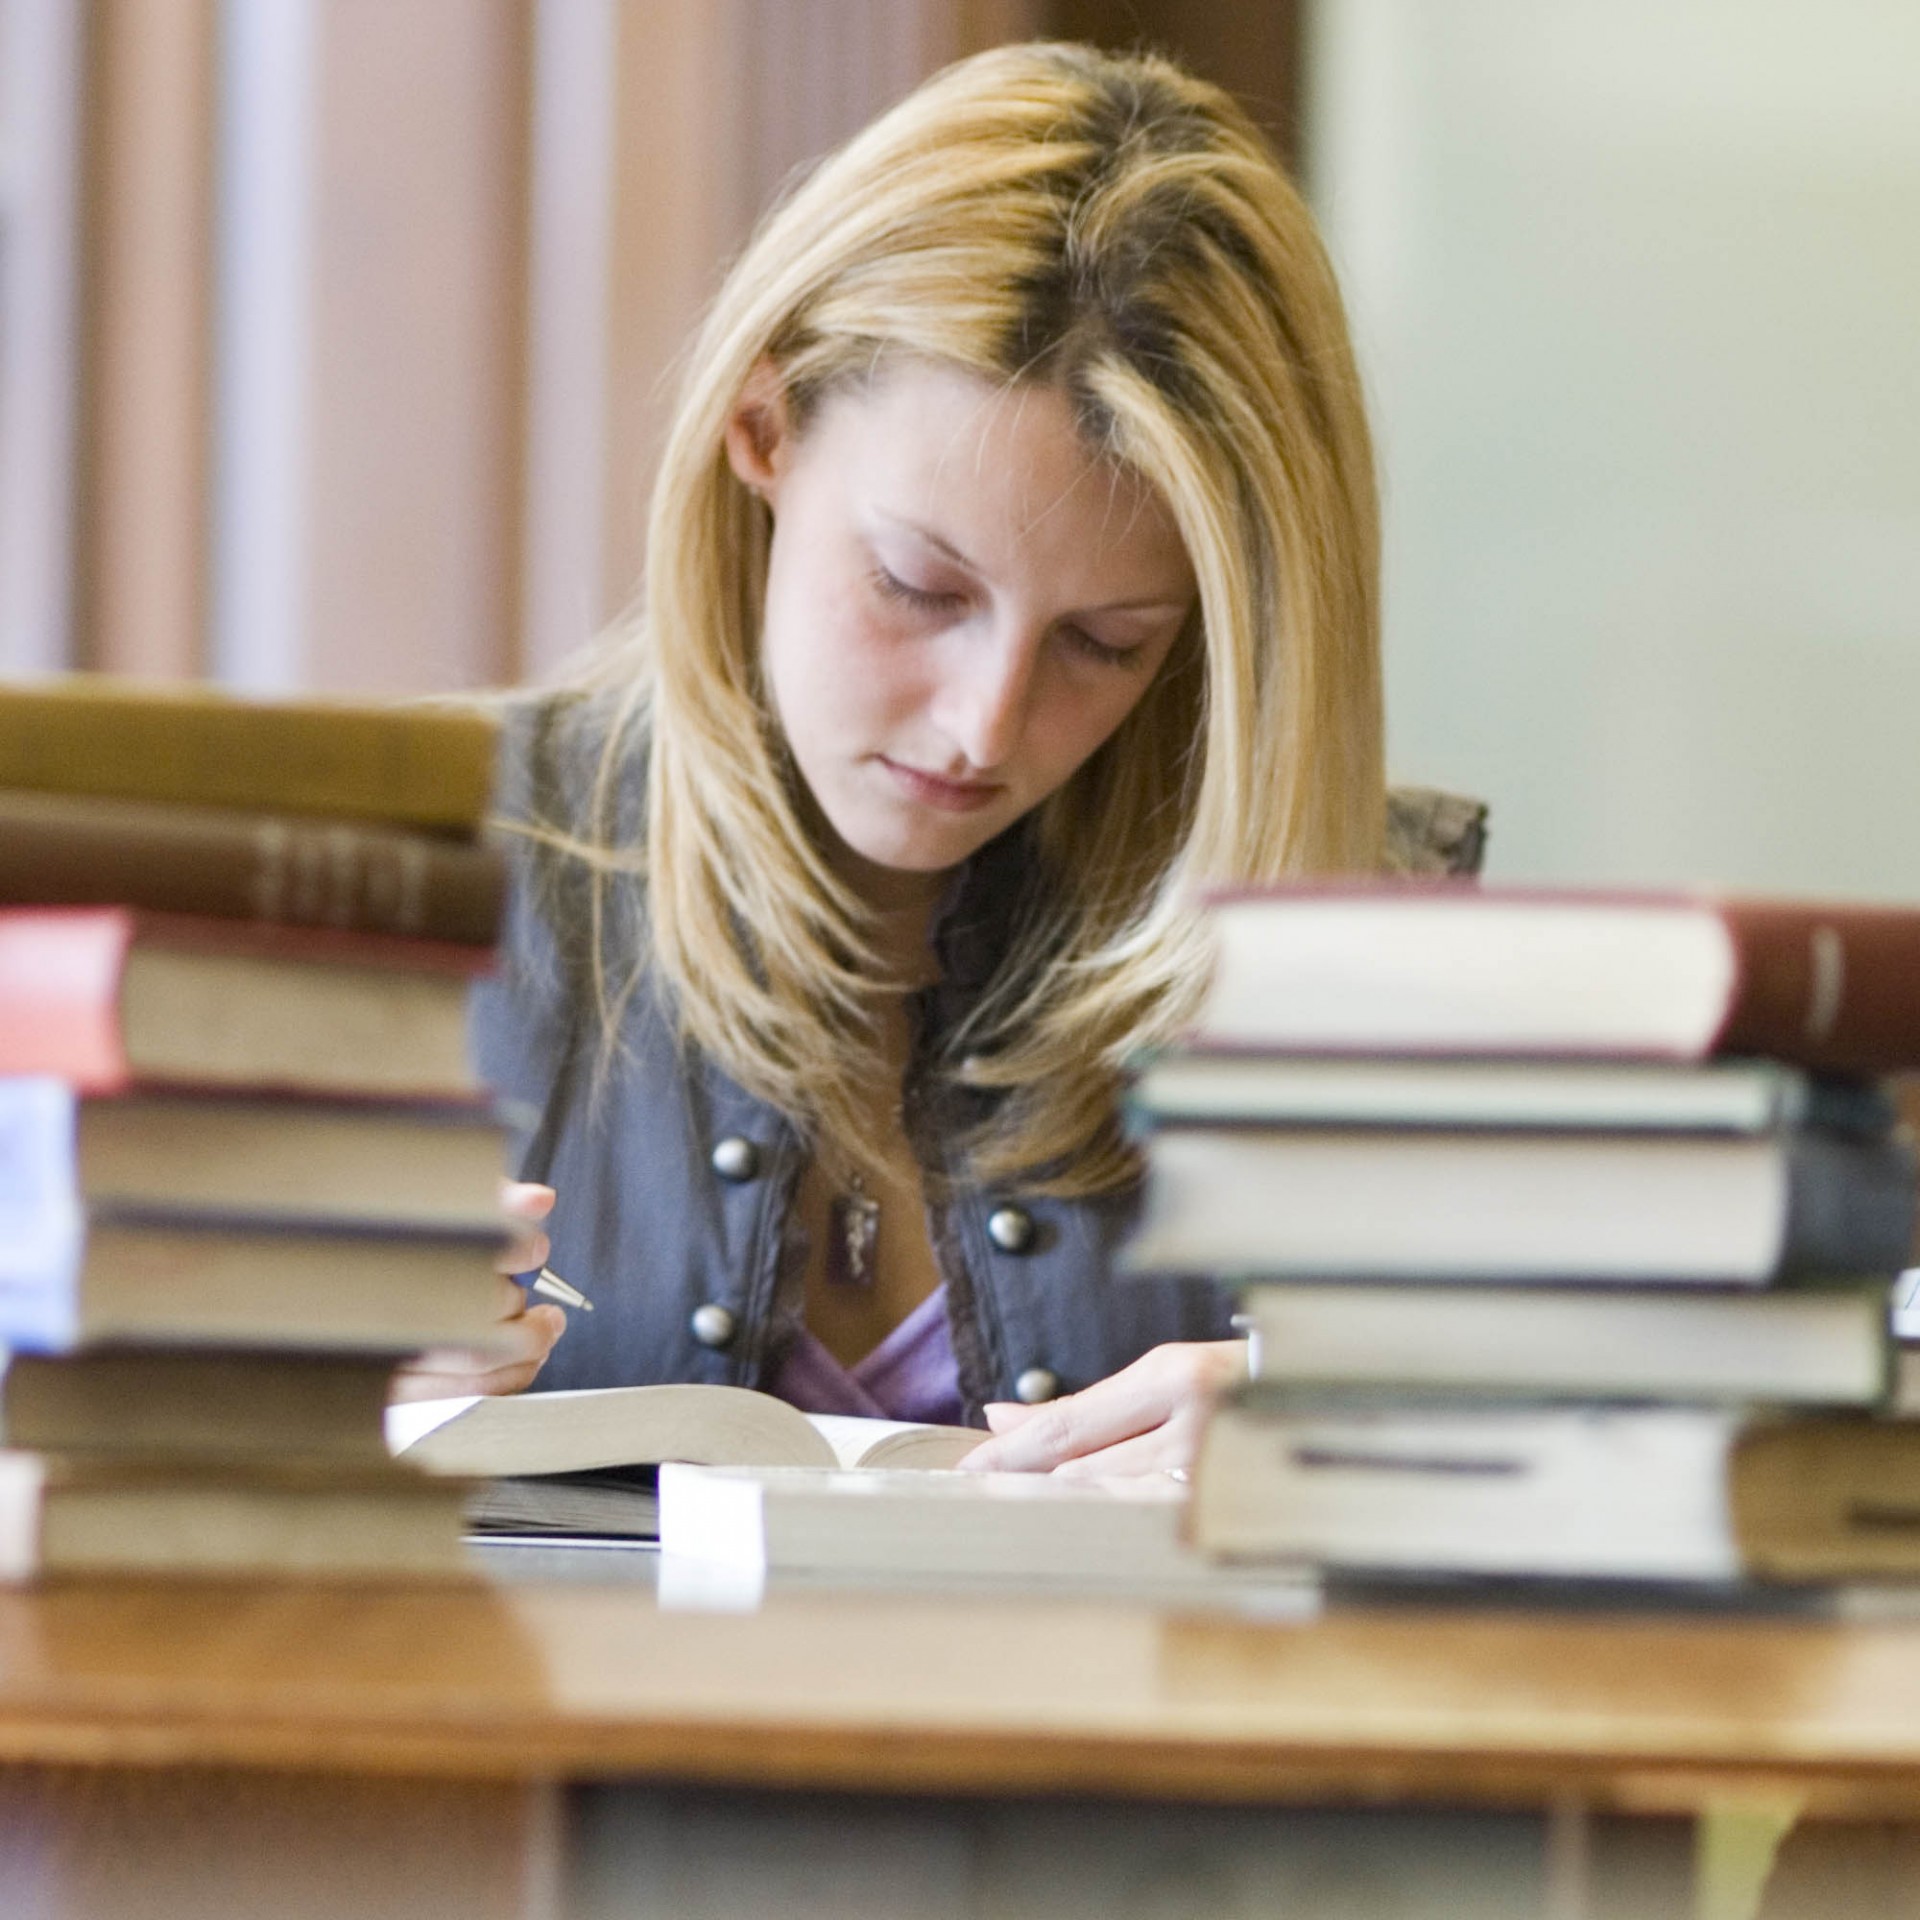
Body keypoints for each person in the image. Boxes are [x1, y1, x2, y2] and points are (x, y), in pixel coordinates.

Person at [392, 40, 1384, 1477]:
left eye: (1107, 642)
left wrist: (1375, 1444)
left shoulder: (1379, 951)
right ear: (762, 428)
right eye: (921, 589)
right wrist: (296, 1396)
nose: (984, 723)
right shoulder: (399, 856)